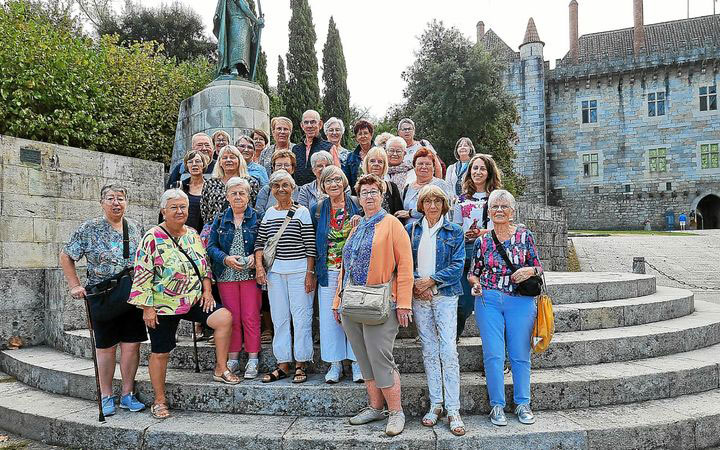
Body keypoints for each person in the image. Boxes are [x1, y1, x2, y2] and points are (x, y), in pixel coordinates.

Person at [129, 189, 239, 420]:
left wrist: (208, 291)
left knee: (223, 318)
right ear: (163, 211)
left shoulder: (192, 234)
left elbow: (204, 265)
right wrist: (147, 307)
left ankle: (221, 368)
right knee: (161, 351)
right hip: (162, 304)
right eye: (174, 207)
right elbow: (142, 274)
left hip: (192, 298)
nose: (180, 211)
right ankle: (159, 400)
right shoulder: (152, 237)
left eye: (183, 207)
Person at [333, 174, 414, 437]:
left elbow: (405, 266)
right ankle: (375, 407)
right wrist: (338, 300)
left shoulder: (392, 225)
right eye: (364, 192)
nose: (368, 196)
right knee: (364, 360)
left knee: (381, 359)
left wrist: (403, 303)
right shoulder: (356, 227)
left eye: (373, 191)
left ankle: (396, 412)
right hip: (352, 303)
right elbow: (344, 267)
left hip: (381, 302)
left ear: (382, 196)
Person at [59, 184, 147, 417]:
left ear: (126, 202)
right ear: (102, 202)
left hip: (131, 293)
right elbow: (67, 255)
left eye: (120, 198)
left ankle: (127, 393)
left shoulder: (135, 227)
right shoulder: (90, 228)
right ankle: (106, 394)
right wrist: (75, 285)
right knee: (106, 347)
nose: (116, 202)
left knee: (131, 346)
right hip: (102, 294)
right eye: (111, 198)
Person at [467, 189, 543, 427]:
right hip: (488, 300)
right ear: (488, 212)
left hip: (520, 301)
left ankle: (522, 403)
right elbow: (473, 273)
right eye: (495, 207)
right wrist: (476, 285)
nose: (499, 210)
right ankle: (497, 406)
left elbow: (539, 267)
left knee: (520, 355)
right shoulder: (482, 240)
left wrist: (528, 271)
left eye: (504, 207)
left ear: (512, 211)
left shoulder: (524, 236)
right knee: (493, 354)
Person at [406, 185, 466, 436]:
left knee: (448, 350)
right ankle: (436, 404)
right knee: (429, 350)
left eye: (437, 201)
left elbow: (458, 264)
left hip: (444, 296)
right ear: (421, 205)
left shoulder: (454, 231)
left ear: (444, 205)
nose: (432, 206)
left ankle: (454, 408)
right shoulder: (412, 229)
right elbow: (405, 261)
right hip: (420, 296)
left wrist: (432, 281)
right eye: (427, 201)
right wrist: (417, 283)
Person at [254, 170, 317, 384]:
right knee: (280, 319)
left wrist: (310, 273)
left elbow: (310, 245)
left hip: (300, 271)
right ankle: (282, 363)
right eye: (276, 185)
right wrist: (260, 268)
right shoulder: (269, 213)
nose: (281, 189)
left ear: (293, 188)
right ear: (271, 190)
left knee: (301, 318)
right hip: (275, 273)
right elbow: (260, 243)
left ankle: (301, 362)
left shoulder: (302, 212)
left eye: (285, 185)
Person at [310, 166, 363, 383]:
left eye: (337, 180)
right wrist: (311, 272)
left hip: (354, 270)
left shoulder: (357, 204)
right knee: (329, 318)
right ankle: (335, 364)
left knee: (353, 315)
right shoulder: (318, 208)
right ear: (322, 186)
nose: (333, 184)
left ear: (344, 182)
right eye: (328, 181)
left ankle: (357, 362)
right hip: (328, 270)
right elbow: (313, 242)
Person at [207, 177, 262, 379]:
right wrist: (225, 258)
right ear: (227, 196)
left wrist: (253, 258)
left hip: (249, 274)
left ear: (249, 195)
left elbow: (265, 243)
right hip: (226, 274)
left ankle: (253, 358)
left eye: (242, 193)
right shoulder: (220, 218)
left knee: (250, 316)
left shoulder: (257, 217)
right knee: (232, 317)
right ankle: (232, 358)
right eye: (234, 193)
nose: (238, 196)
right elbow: (211, 246)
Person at [452, 154, 502, 339]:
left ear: (489, 172)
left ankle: (497, 354)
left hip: (492, 256)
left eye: (482, 168)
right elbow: (456, 226)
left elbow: (505, 228)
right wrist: (462, 234)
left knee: (493, 307)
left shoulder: (497, 198)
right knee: (463, 304)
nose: (478, 172)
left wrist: (481, 233)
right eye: (475, 168)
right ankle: (453, 337)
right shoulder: (461, 199)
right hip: (467, 254)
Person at [201, 145, 260, 225]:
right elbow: (204, 209)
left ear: (239, 161)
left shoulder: (251, 183)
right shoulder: (210, 183)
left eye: (232, 157)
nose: (228, 160)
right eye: (225, 158)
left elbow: (255, 207)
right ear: (220, 162)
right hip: (216, 229)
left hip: (244, 229)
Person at [396, 148, 453, 225]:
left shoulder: (439, 184)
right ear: (414, 167)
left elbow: (440, 208)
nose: (424, 167)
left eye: (428, 164)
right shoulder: (407, 188)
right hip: (410, 233)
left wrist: (410, 213)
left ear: (433, 167)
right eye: (420, 164)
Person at [164, 150, 210, 233]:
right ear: (186, 166)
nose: (194, 164)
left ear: (203, 165)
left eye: (198, 161)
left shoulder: (210, 188)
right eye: (190, 162)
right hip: (179, 233)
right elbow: (167, 210)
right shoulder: (177, 186)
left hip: (203, 234)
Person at [292, 110, 336, 187]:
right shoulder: (295, 149)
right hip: (299, 194)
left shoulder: (329, 147)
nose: (309, 125)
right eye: (306, 122)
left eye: (313, 122)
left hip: (322, 192)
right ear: (302, 126)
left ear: (320, 124)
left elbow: (336, 172)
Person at [255, 150, 300, 215]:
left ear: (292, 169)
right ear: (273, 168)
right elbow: (259, 212)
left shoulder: (299, 191)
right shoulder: (266, 190)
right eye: (279, 165)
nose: (282, 168)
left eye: (286, 165)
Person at [361, 147, 403, 214]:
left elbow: (399, 214)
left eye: (380, 162)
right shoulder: (359, 186)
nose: (376, 164)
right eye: (372, 161)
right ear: (366, 164)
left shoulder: (392, 187)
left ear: (384, 165)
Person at [343, 119, 374, 193]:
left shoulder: (379, 152)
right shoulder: (351, 157)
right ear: (356, 137)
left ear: (371, 135)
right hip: (357, 195)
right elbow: (347, 180)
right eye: (360, 134)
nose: (363, 136)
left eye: (366, 133)